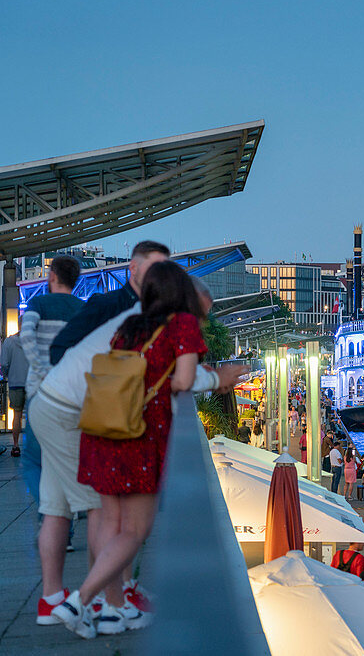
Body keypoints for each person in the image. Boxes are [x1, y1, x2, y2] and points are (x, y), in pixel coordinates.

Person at [34, 268, 244, 633]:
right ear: (184, 299)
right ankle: (81, 600)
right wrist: (219, 378)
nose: (203, 321)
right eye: (202, 312)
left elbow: (149, 371)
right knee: (135, 529)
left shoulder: (132, 323)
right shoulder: (182, 323)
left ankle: (112, 609)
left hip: (103, 432)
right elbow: (181, 379)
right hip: (138, 439)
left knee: (110, 523)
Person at [49, 241, 171, 365]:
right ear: (133, 268)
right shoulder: (104, 305)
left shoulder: (164, 311)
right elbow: (60, 349)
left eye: (165, 269)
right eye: (154, 268)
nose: (160, 274)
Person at [19, 255, 84, 466]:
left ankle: (47, 498)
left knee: (35, 457)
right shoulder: (82, 309)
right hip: (72, 391)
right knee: (68, 455)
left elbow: (26, 335)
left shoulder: (38, 303)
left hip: (41, 390)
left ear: (52, 275)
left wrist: (41, 369)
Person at [2, 332, 29, 457]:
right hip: (32, 384)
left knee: (17, 415)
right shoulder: (34, 342)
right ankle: (33, 447)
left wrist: (9, 374)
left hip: (15, 383)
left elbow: (4, 363)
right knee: (32, 417)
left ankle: (16, 446)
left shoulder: (9, 341)